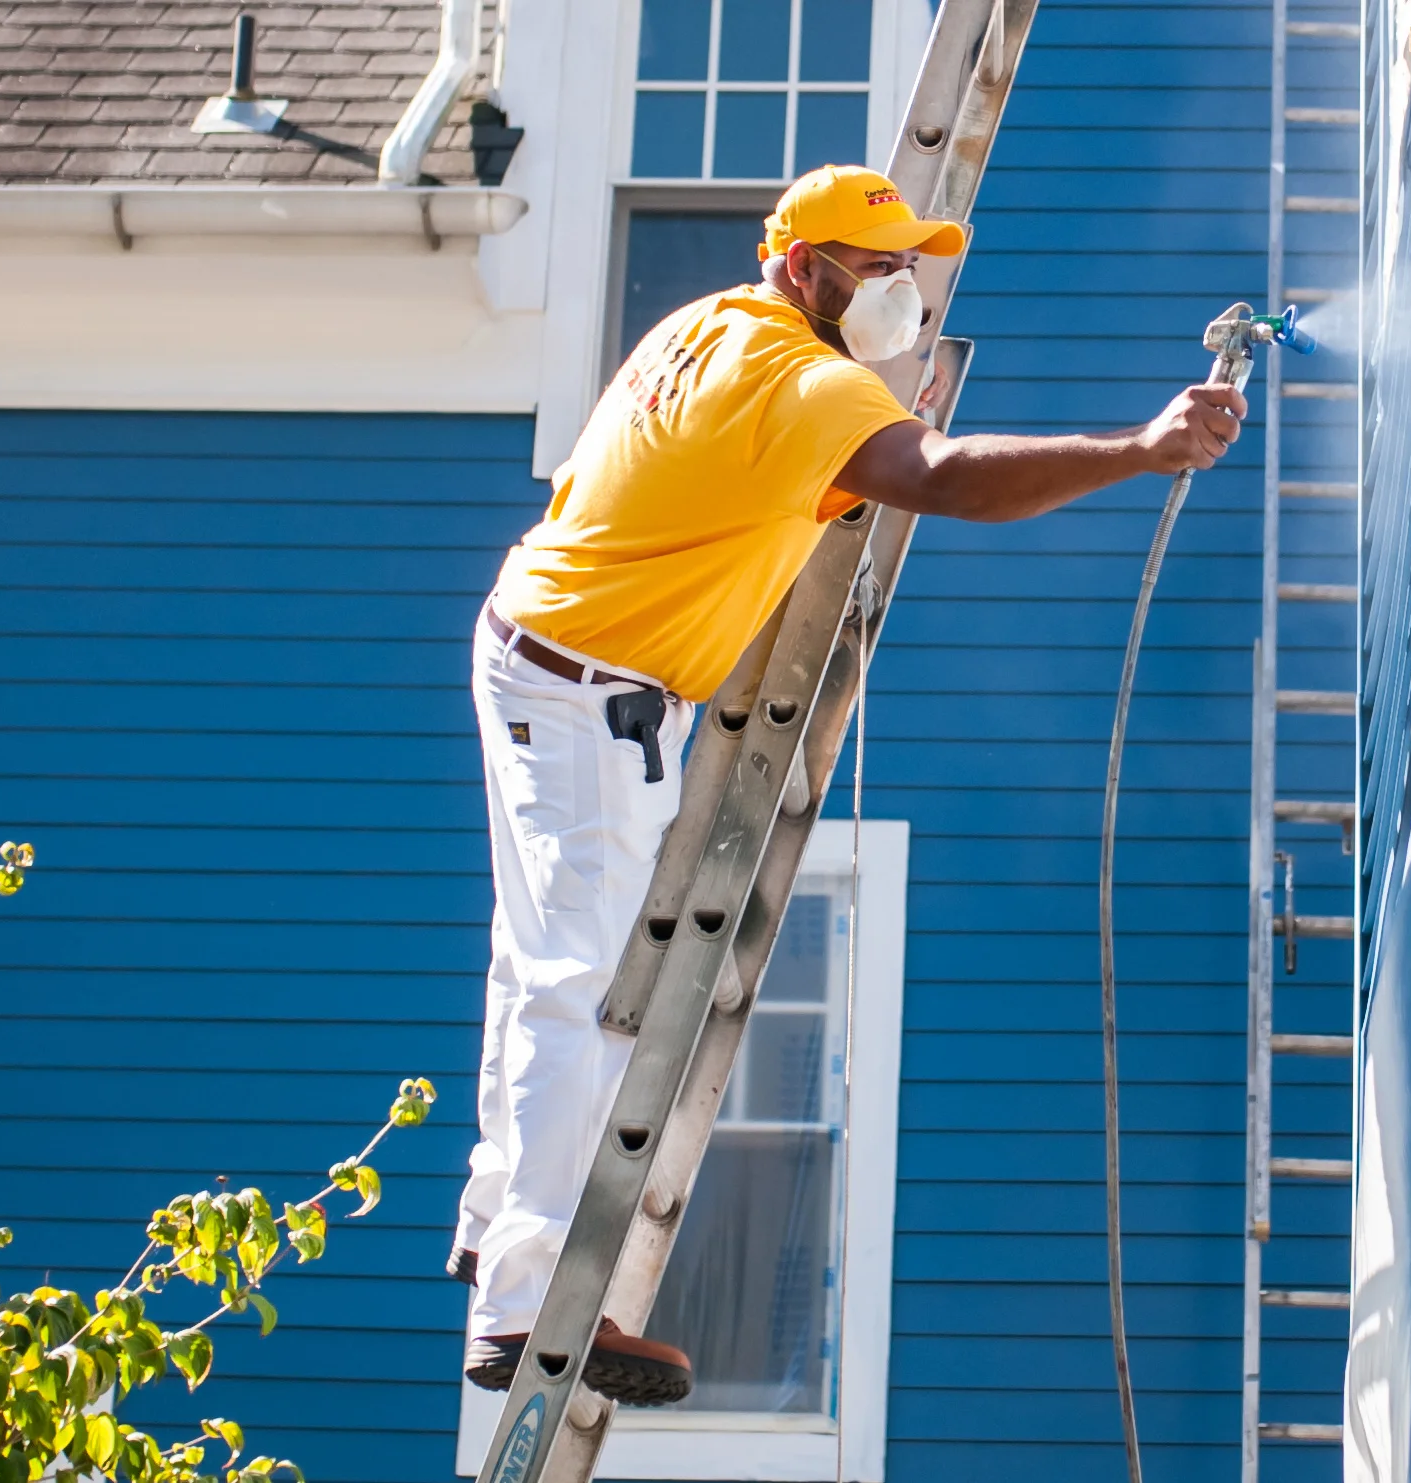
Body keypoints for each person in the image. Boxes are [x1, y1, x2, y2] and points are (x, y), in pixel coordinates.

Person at [454, 163, 1247, 1405]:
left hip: (541, 647)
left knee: (534, 963)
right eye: (868, 268)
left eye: (904, 269)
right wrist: (1140, 447)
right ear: (797, 268)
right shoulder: (795, 376)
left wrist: (864, 419)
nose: (895, 291)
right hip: (586, 689)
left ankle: (499, 1217)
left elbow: (772, 474)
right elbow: (943, 479)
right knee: (572, 982)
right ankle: (532, 1304)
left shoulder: (712, 327)